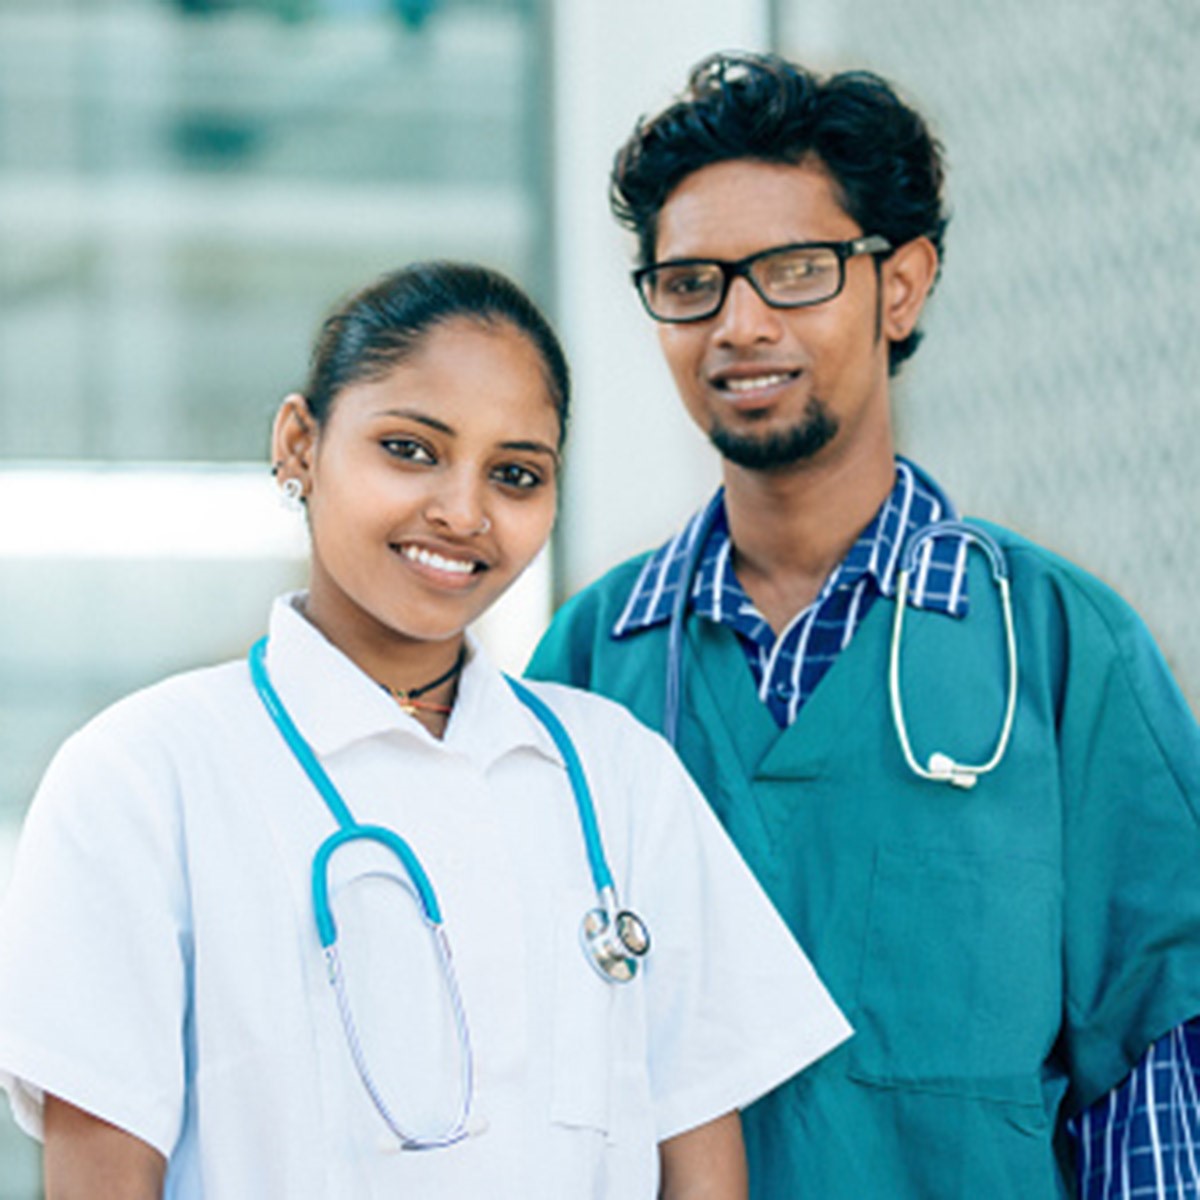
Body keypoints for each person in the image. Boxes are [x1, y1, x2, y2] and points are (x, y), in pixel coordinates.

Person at [0, 262, 851, 1199]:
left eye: (516, 474)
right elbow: (99, 1178)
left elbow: (700, 1155)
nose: (463, 511)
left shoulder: (617, 775)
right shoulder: (141, 777)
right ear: (299, 445)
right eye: (410, 449)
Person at [526, 52, 1200, 1198]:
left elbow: (1154, 1070)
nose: (737, 324)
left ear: (901, 286)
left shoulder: (1059, 650)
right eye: (689, 282)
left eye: (792, 272)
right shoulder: (588, 666)